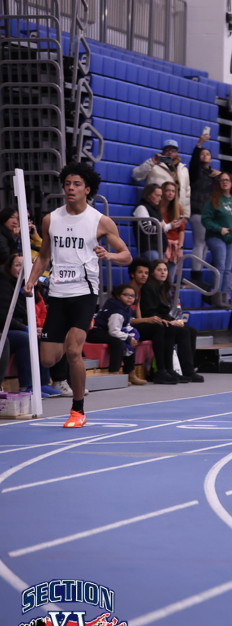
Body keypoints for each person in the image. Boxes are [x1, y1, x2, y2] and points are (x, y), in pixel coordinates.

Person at [24, 162, 133, 427]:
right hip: (58, 292)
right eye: (67, 184)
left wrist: (109, 255)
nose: (70, 188)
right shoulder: (51, 219)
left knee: (74, 351)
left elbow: (127, 256)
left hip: (84, 293)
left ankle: (78, 410)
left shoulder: (100, 221)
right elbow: (45, 256)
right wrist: (31, 281)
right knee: (48, 358)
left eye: (76, 184)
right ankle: (68, 346)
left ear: (87, 189)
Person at [0, 253, 59, 396]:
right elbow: (4, 317)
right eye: (18, 265)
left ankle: (43, 383)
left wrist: (35, 329)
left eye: (25, 266)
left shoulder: (29, 285)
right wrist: (27, 329)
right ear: (9, 268)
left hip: (21, 327)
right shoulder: (4, 285)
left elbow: (36, 310)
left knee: (43, 336)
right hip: (6, 329)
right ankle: (27, 386)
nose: (22, 269)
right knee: (25, 338)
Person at [141, 259, 204, 382]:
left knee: (191, 331)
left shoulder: (163, 288)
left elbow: (165, 311)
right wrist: (169, 321)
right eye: (159, 270)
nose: (163, 272)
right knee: (181, 331)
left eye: (165, 270)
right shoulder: (148, 287)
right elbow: (150, 312)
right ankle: (173, 370)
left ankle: (188, 369)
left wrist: (173, 320)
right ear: (152, 272)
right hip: (154, 322)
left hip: (164, 320)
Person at [127, 259, 175, 384]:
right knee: (158, 328)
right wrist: (148, 319)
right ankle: (160, 370)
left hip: (135, 326)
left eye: (146, 273)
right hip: (123, 328)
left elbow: (138, 317)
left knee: (167, 327)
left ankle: (168, 369)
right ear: (132, 274)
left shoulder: (140, 291)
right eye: (140, 272)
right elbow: (126, 321)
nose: (144, 276)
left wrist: (146, 320)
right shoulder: (126, 291)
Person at [87, 283, 145, 385]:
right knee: (118, 342)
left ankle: (130, 374)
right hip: (95, 332)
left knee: (130, 341)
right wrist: (128, 338)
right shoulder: (117, 311)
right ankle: (114, 373)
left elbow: (125, 325)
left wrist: (132, 336)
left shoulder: (126, 308)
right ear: (118, 296)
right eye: (126, 295)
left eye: (132, 296)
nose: (130, 298)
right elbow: (113, 331)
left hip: (107, 331)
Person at [201, 172, 232, 308]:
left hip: (231, 238)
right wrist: (219, 229)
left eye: (227, 180)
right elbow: (205, 219)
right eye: (222, 180)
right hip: (216, 236)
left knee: (228, 269)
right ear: (218, 183)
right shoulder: (213, 200)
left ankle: (224, 297)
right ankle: (216, 296)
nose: (224, 182)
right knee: (220, 266)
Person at [188, 133, 220, 287]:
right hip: (197, 210)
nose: (205, 156)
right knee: (199, 243)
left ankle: (198, 274)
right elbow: (193, 162)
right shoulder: (196, 172)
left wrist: (221, 175)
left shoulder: (213, 175)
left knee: (205, 245)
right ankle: (195, 275)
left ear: (211, 158)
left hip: (209, 213)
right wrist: (199, 144)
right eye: (202, 154)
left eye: (208, 154)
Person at [131, 138, 191, 219]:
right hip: (157, 208)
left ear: (177, 152)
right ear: (163, 152)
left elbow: (187, 193)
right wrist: (151, 162)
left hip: (176, 210)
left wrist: (186, 215)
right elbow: (136, 176)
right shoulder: (154, 165)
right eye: (167, 150)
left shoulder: (183, 169)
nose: (170, 152)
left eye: (173, 150)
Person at [160, 181, 186, 281]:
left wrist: (180, 246)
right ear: (162, 191)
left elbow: (181, 230)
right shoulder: (157, 206)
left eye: (173, 191)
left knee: (170, 278)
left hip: (175, 245)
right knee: (161, 275)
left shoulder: (178, 207)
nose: (170, 193)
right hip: (162, 244)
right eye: (168, 190)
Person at [132, 182, 164, 262]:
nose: (160, 198)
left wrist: (171, 226)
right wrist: (161, 226)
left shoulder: (156, 209)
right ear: (148, 195)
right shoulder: (141, 208)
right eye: (157, 195)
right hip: (149, 247)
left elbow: (162, 227)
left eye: (160, 196)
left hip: (159, 247)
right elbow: (147, 229)